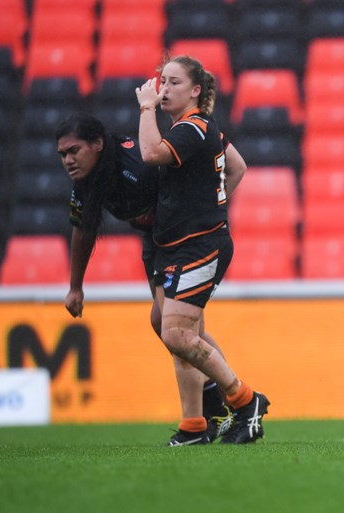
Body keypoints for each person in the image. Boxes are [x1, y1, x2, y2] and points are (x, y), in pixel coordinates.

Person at [57, 112, 248, 443]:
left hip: (183, 241)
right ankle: (220, 407)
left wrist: (206, 217)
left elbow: (214, 172)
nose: (68, 160)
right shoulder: (86, 184)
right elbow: (83, 230)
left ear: (98, 145)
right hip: (157, 242)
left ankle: (223, 410)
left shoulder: (138, 163)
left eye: (74, 150)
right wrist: (76, 286)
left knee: (177, 331)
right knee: (168, 326)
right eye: (63, 154)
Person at [136, 54, 270, 446]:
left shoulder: (193, 128)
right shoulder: (196, 128)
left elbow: (149, 153)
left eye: (173, 83)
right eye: (162, 82)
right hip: (177, 244)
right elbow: (237, 167)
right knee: (168, 326)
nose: (163, 90)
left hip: (199, 244)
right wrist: (214, 201)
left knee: (177, 334)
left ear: (195, 91)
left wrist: (146, 107)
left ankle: (245, 401)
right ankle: (199, 422)